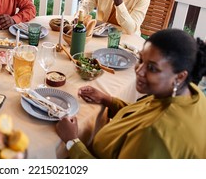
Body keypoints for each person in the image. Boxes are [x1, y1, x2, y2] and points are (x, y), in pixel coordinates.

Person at [56, 29, 206, 158]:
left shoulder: (155, 135)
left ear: (180, 76)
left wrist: (72, 142)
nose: (139, 71)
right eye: (141, 60)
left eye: (152, 68)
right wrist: (107, 100)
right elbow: (141, 114)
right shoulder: (191, 93)